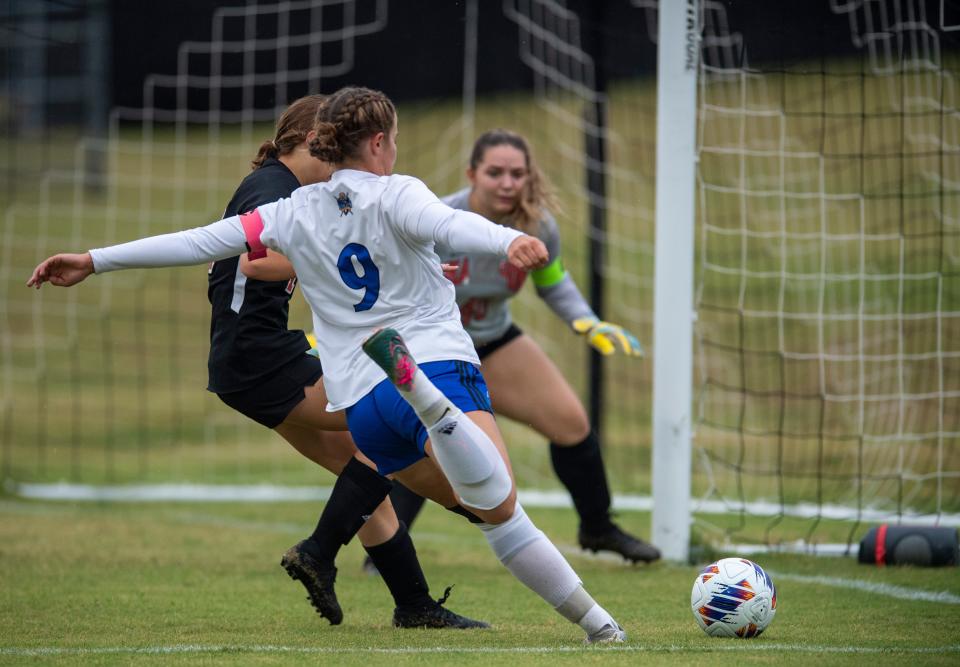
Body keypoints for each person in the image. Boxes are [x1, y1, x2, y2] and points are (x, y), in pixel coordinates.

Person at [27, 86, 627, 644]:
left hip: (363, 403)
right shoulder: (398, 191)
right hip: (430, 361)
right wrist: (505, 241)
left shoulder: (291, 211)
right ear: (378, 143)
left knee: (477, 503)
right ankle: (602, 629)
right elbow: (450, 223)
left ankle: (546, 617)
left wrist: (94, 259)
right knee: (499, 503)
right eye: (393, 139)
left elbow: (198, 240)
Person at [77, 94, 489, 630]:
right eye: (329, 149)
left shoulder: (282, 191)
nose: (338, 164)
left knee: (357, 469)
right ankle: (322, 549)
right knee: (380, 427)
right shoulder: (274, 190)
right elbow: (250, 260)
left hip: (247, 363)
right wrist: (339, 257)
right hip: (263, 359)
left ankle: (414, 602)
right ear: (302, 142)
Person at [375, 129, 660, 566]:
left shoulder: (537, 225)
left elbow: (552, 280)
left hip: (494, 342)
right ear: (472, 174)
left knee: (572, 425)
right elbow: (386, 279)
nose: (507, 183)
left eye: (517, 173)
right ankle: (390, 553)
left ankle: (598, 528)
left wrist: (587, 322)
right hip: (432, 349)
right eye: (495, 172)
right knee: (432, 441)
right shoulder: (436, 218)